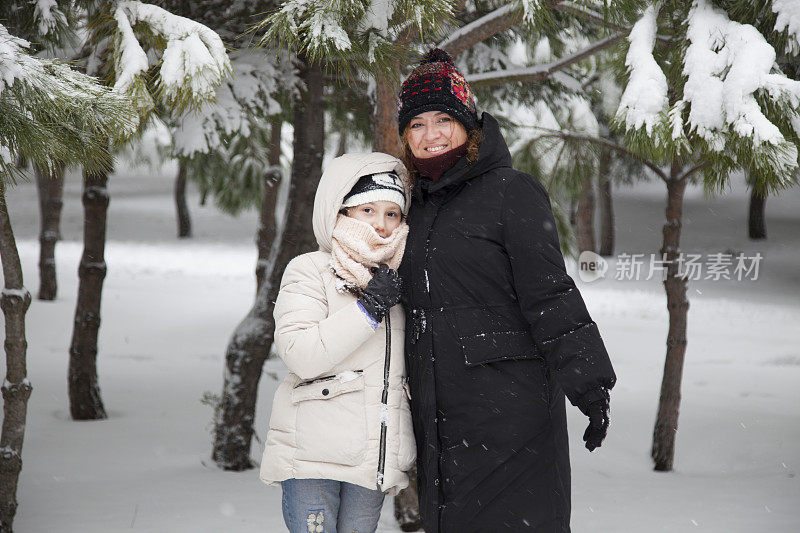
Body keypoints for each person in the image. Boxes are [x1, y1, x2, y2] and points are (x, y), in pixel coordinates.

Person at [395, 49, 617, 532]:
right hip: (437, 416)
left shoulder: (510, 191)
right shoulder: (408, 205)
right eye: (416, 125)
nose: (430, 135)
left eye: (442, 119)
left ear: (469, 125)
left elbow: (550, 293)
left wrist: (590, 384)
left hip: (512, 415)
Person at [259, 153, 417, 533]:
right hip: (313, 456)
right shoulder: (310, 269)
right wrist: (368, 309)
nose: (381, 225)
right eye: (367, 209)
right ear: (340, 212)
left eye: (392, 214)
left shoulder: (402, 277)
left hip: (373, 459)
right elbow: (300, 355)